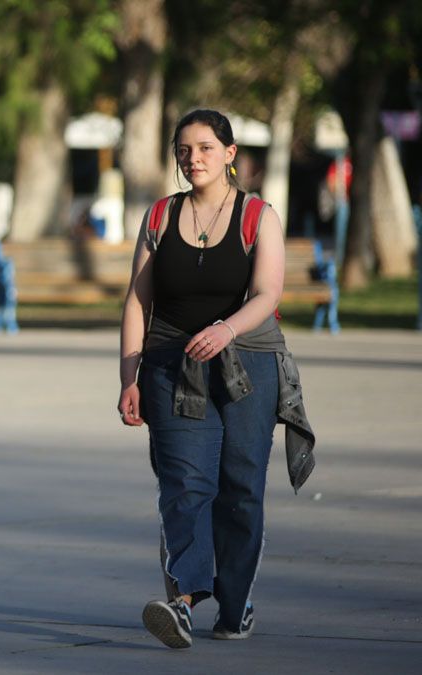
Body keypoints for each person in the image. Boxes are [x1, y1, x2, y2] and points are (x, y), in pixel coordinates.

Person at [118, 109, 315, 649]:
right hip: (169, 367)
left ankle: (236, 602)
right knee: (185, 484)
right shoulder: (160, 215)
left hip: (247, 363)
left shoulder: (258, 215)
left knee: (241, 488)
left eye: (205, 148)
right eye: (183, 150)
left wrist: (226, 329)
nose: (193, 159)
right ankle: (183, 601)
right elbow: (138, 300)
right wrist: (128, 376)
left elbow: (268, 294)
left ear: (230, 154)